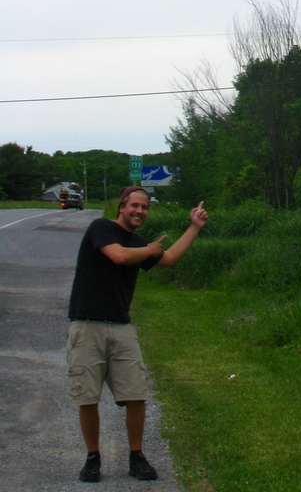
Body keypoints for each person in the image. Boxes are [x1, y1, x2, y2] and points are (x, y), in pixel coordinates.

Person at [67, 186, 208, 483]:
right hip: (87, 325)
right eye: (134, 206)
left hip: (121, 326)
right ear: (122, 207)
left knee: (136, 395)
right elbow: (118, 257)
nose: (139, 212)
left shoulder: (140, 243)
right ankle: (92, 458)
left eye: (144, 207)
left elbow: (167, 259)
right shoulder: (101, 228)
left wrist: (194, 227)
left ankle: (136, 456)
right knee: (87, 397)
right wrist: (150, 250)